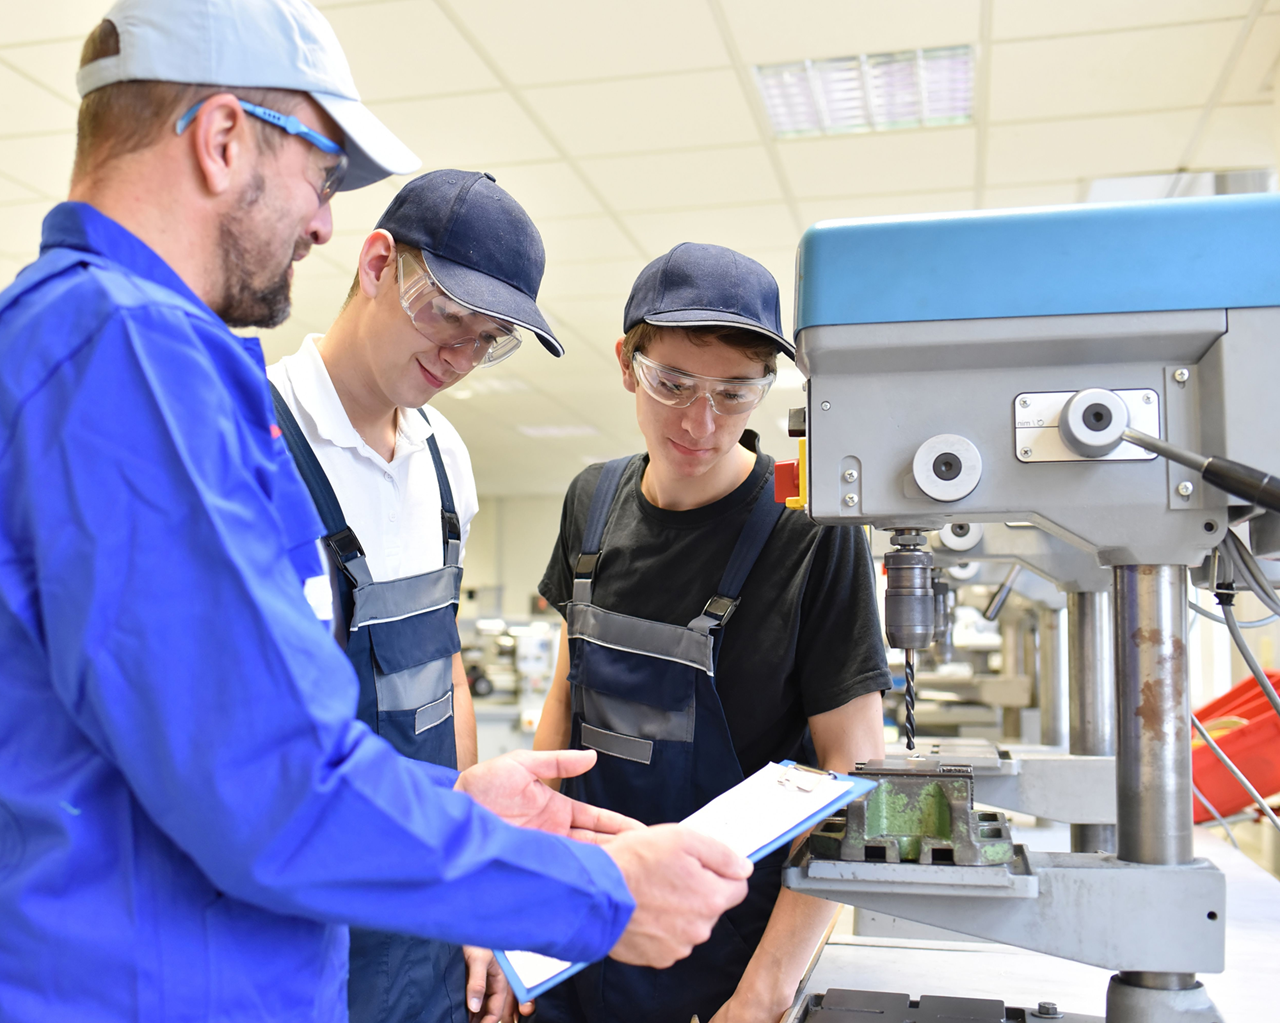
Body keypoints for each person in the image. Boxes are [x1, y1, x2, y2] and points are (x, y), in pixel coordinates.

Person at [0, 4, 754, 1021]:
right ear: (223, 140)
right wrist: (597, 897)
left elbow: (193, 738)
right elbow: (268, 785)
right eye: (322, 172)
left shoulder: (95, 347)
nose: (321, 223)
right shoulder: (126, 357)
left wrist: (451, 804)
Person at [533, 243, 893, 1023]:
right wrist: (524, 911)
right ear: (628, 363)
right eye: (673, 384)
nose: (702, 422)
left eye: (736, 392)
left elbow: (857, 769)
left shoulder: (811, 535)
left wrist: (765, 992)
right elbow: (566, 694)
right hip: (578, 937)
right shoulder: (591, 501)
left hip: (722, 967)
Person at [267, 168, 565, 1023]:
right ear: (374, 265)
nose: (456, 357)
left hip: (424, 899)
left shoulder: (446, 462)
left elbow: (444, 675)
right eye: (444, 314)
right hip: (303, 903)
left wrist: (469, 879)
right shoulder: (257, 444)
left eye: (487, 339)